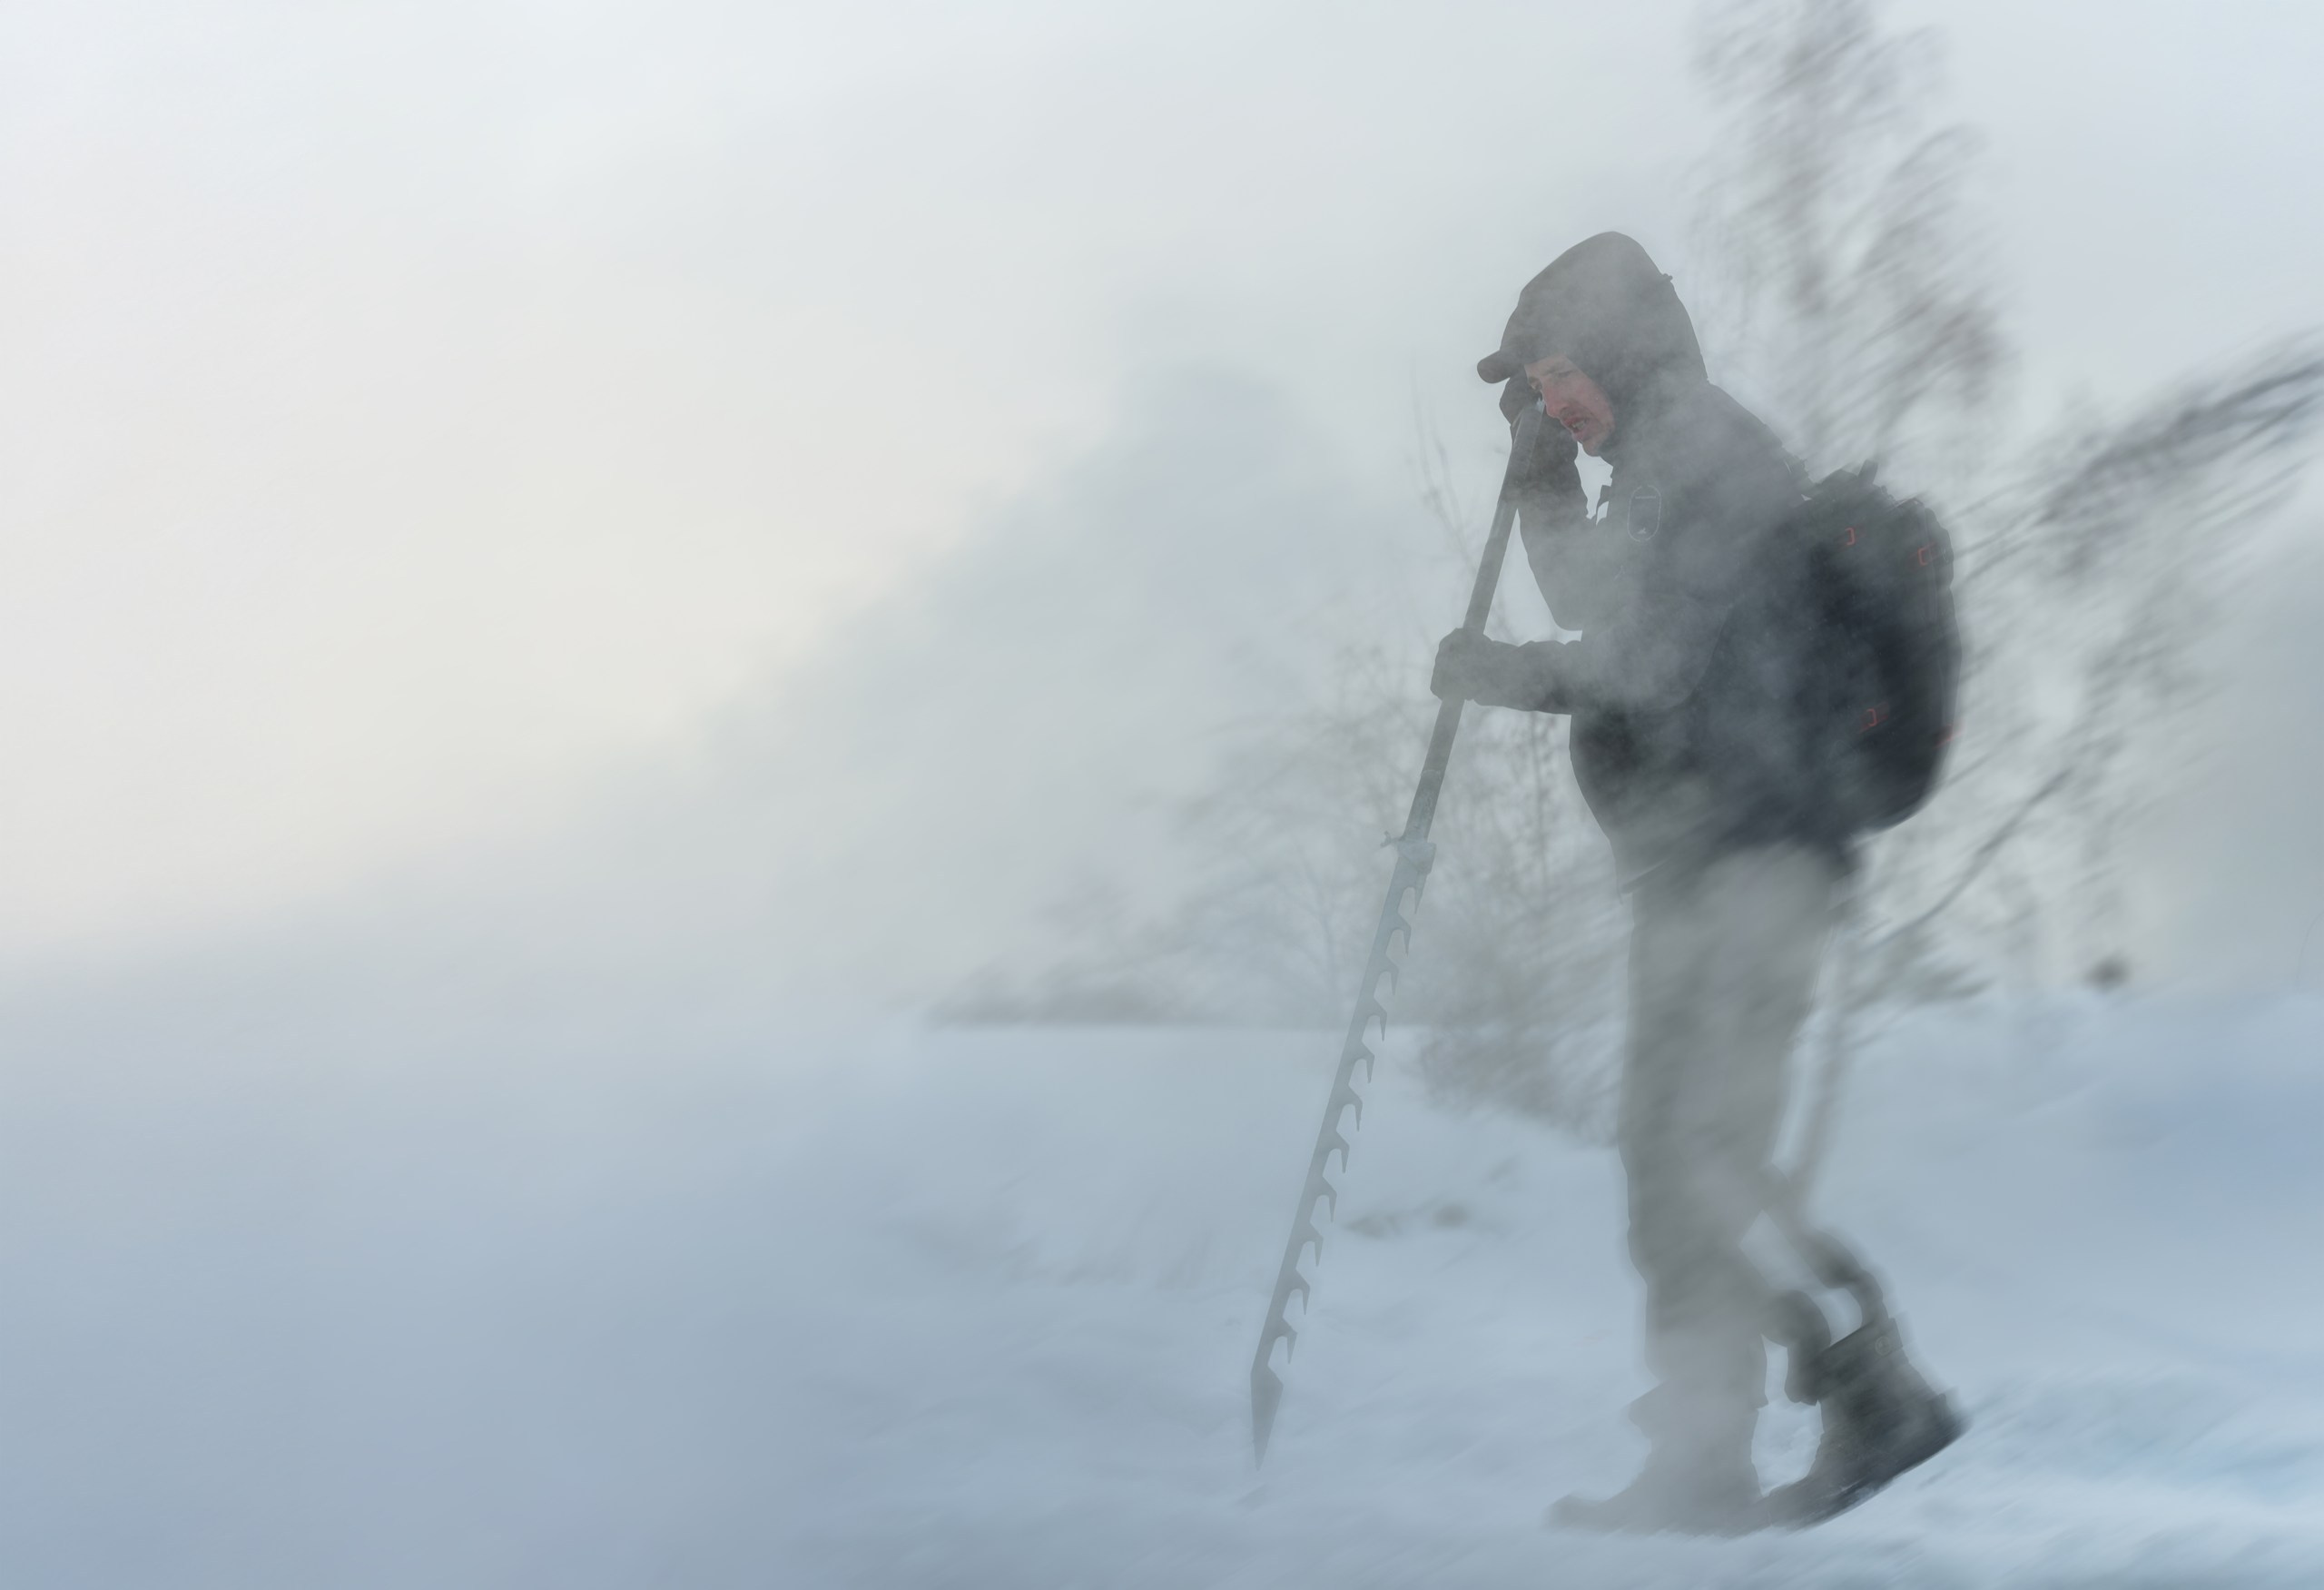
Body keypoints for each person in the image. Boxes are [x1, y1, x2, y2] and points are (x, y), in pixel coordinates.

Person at [1432, 231, 1951, 1534]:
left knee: (1697, 1158)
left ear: (1619, 350)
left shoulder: (1705, 451)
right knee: (1669, 1168)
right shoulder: (1655, 470)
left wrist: (1504, 674)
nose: (1552, 400)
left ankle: (1875, 1385)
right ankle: (1701, 1458)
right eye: (1537, 388)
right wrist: (1545, 479)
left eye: (1561, 374)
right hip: (1699, 864)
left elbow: (1646, 662)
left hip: (1752, 856)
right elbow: (1605, 603)